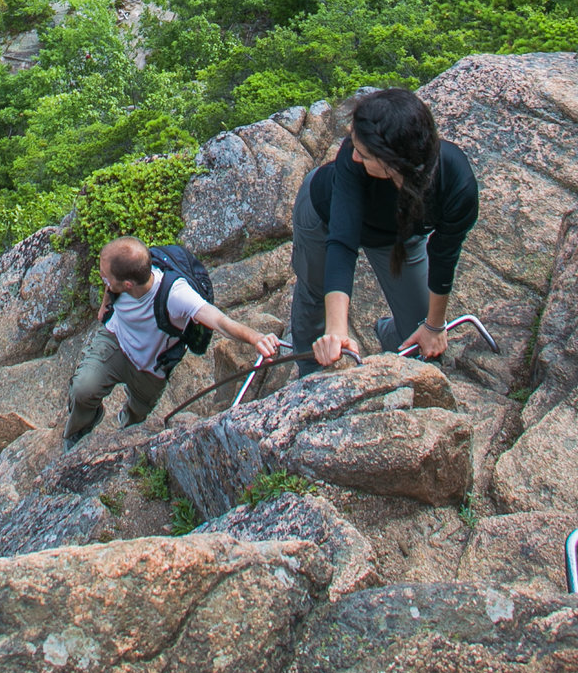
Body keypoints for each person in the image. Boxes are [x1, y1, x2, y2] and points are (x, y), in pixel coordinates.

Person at [291, 87, 480, 376]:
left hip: (398, 236)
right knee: (315, 295)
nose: (354, 156)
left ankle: (390, 338)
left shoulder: (457, 185)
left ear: (392, 163)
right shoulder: (351, 162)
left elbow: (444, 256)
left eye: (364, 154)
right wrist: (337, 331)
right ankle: (309, 370)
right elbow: (342, 242)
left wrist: (433, 326)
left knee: (418, 337)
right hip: (323, 214)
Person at [64, 236, 281, 446]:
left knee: (136, 419)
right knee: (83, 389)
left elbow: (220, 321)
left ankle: (123, 436)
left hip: (151, 365)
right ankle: (79, 432)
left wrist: (256, 338)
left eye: (105, 277)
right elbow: (111, 285)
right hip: (115, 340)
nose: (103, 279)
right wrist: (104, 307)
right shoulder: (131, 270)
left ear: (128, 284)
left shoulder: (176, 295)